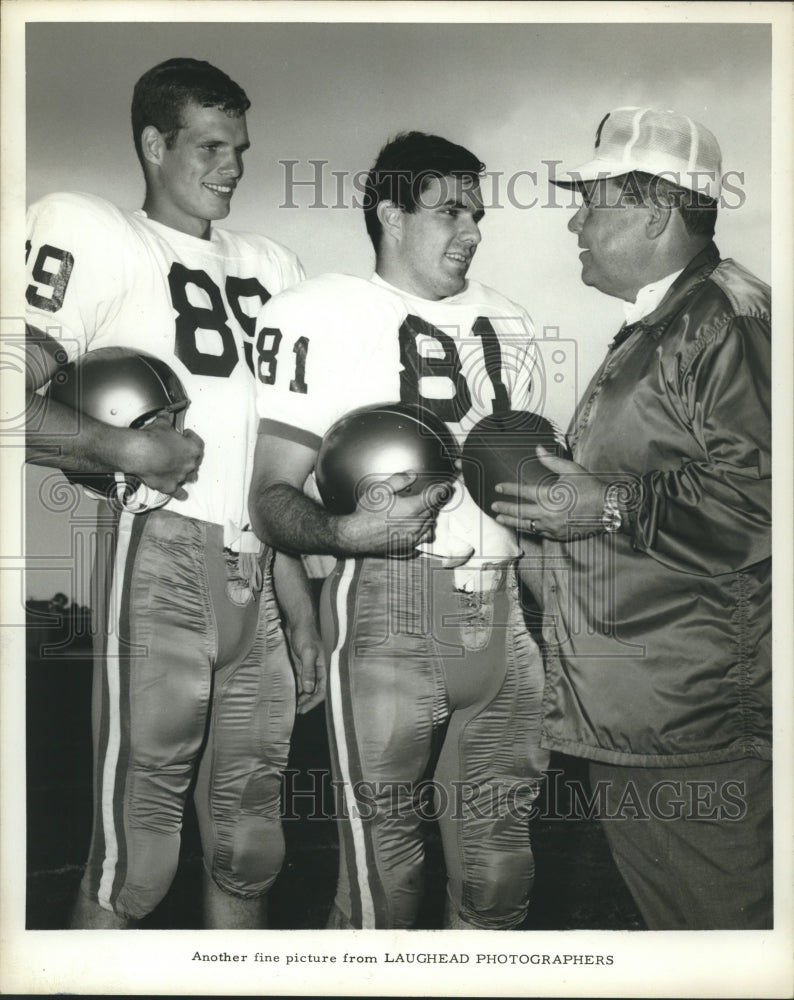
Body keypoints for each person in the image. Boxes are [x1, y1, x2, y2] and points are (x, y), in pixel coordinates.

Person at [25, 57, 325, 929]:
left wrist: (300, 596)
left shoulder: (272, 262)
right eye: (211, 145)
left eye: (240, 147)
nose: (232, 165)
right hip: (160, 557)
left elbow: (273, 459)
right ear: (154, 144)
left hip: (262, 569)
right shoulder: (98, 233)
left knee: (251, 847)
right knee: (136, 853)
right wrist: (120, 444)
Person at [247, 131, 549, 930]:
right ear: (390, 214)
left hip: (504, 618)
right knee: (386, 887)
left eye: (479, 213)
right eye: (450, 210)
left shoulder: (512, 322)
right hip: (388, 615)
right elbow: (270, 496)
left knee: (501, 883)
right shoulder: (321, 312)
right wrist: (348, 535)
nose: (474, 230)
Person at [492, 107, 772, 929]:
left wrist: (602, 503)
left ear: (657, 211)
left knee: (725, 948)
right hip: (640, 711)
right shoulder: (668, 320)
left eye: (594, 198)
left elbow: (762, 497)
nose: (575, 219)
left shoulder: (725, 319)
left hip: (692, 717)